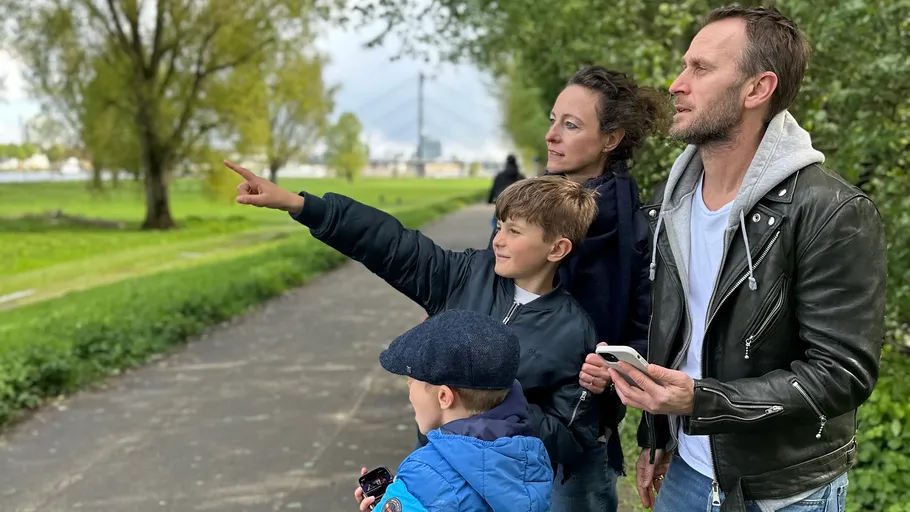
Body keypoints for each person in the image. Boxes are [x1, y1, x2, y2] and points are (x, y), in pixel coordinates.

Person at [607, 6, 887, 512]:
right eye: (683, 66)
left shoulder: (831, 211)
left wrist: (700, 401)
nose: (676, 84)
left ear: (757, 90)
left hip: (782, 490)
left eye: (701, 69)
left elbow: (842, 373)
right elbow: (681, 334)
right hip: (687, 472)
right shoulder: (672, 203)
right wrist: (658, 433)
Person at [224, 162, 604, 493]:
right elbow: (389, 243)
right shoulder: (464, 275)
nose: (498, 240)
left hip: (507, 494)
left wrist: (491, 403)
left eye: (515, 232)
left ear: (557, 249)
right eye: (500, 226)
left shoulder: (575, 331)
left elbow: (573, 438)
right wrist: (300, 204)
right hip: (431, 472)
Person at [488, 65, 670, 511]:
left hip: (577, 435)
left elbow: (648, 329)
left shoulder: (638, 229)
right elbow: (490, 286)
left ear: (611, 139)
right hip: (495, 419)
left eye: (570, 125)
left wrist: (613, 369)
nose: (552, 135)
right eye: (554, 120)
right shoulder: (530, 207)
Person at [352, 309, 553, 511]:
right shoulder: (530, 455)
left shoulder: (421, 478)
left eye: (411, 381)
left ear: (444, 397)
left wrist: (394, 502)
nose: (409, 391)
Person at [487, 154, 525, 228]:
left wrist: (490, 200)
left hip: (501, 203)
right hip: (517, 205)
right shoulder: (520, 176)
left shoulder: (500, 176)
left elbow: (493, 188)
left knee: (496, 223)